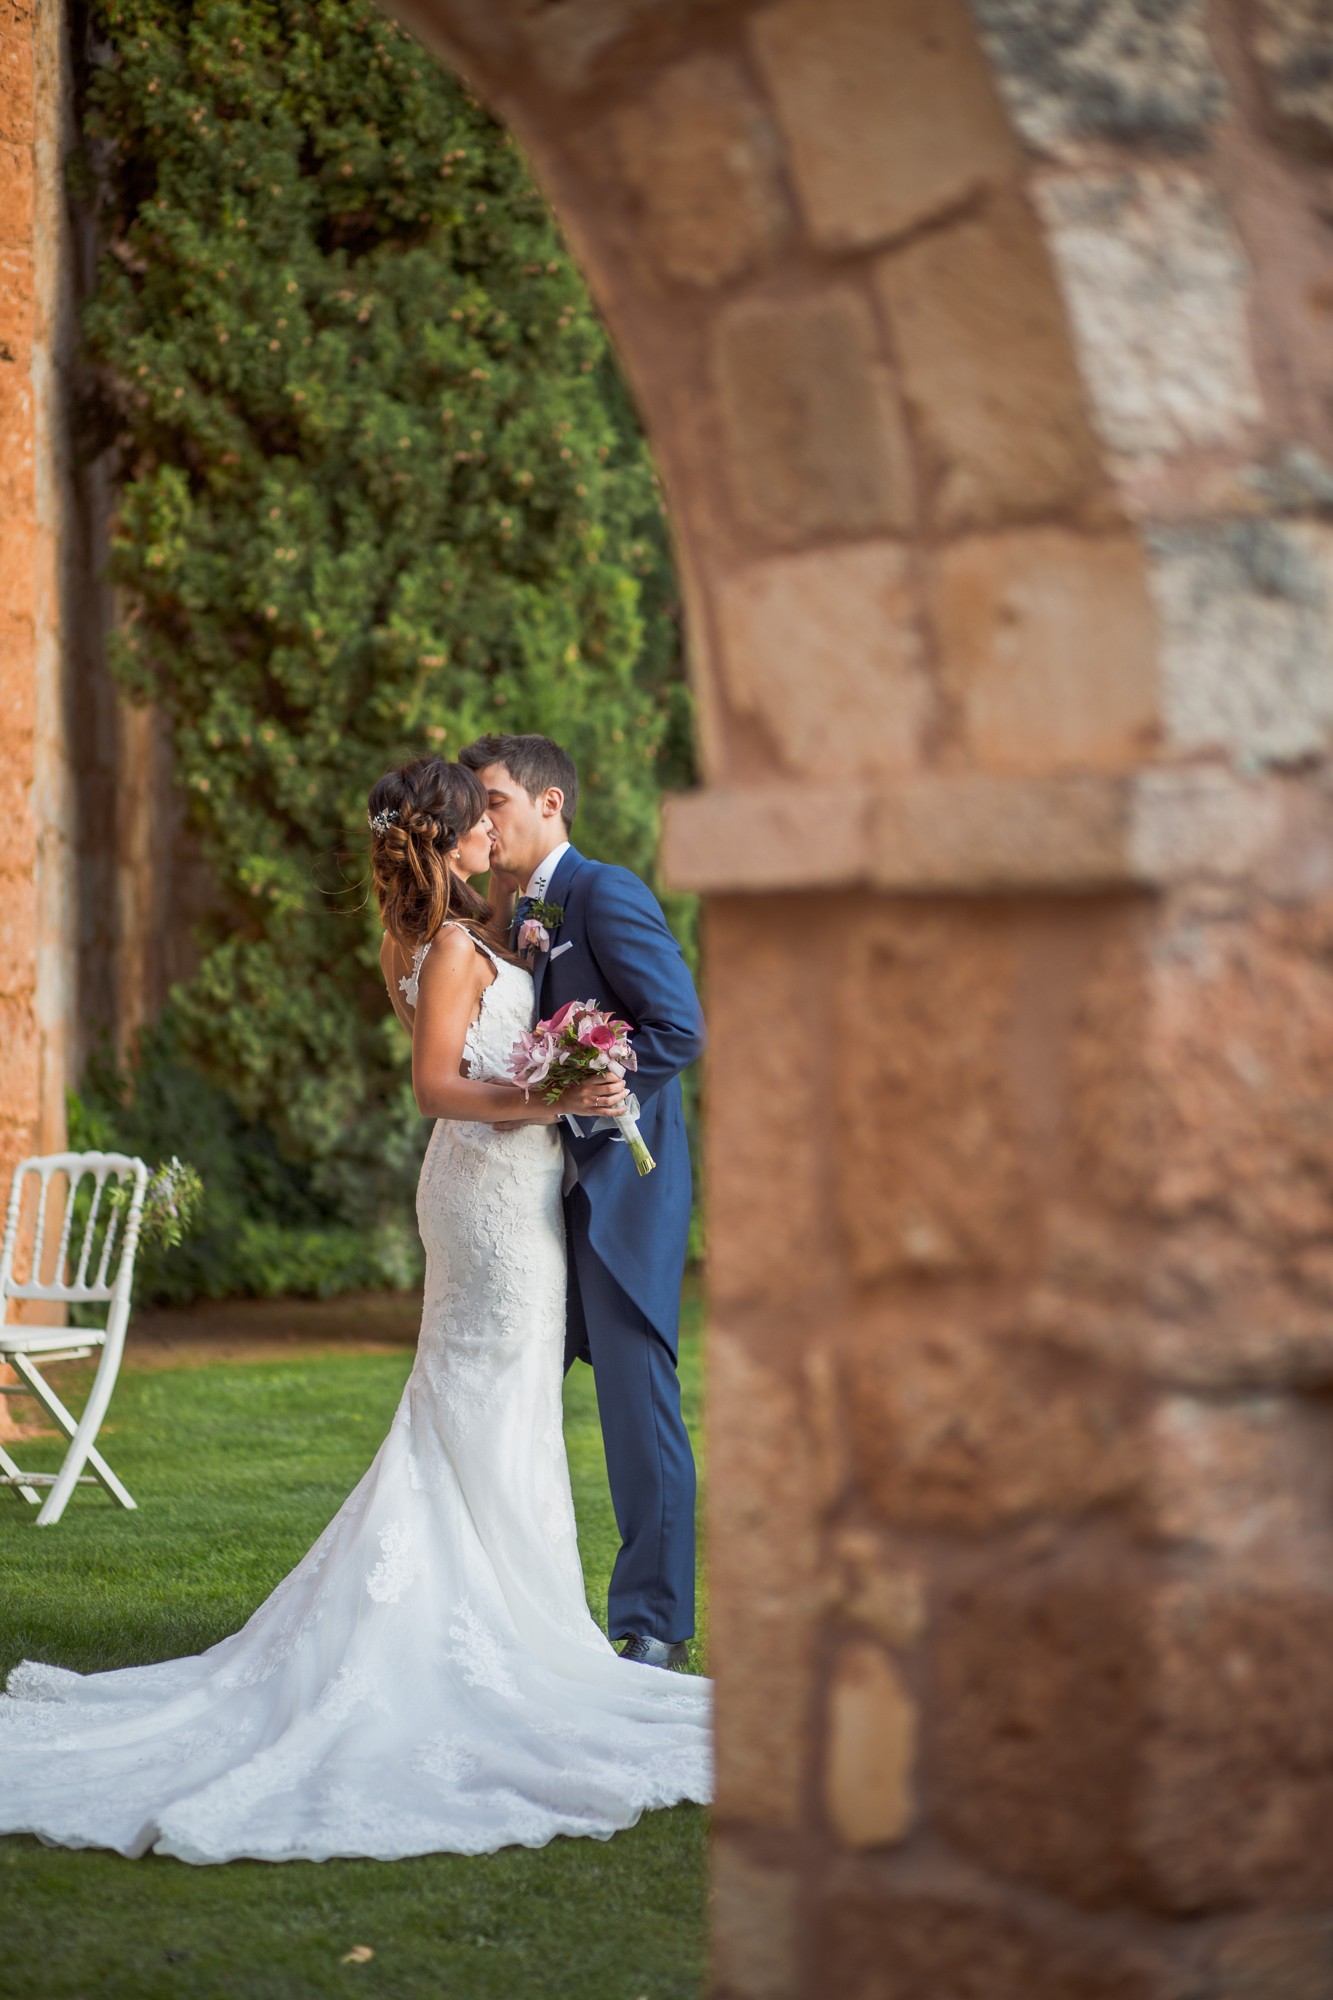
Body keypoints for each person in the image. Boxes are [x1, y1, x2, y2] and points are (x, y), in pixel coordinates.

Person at [0, 757, 710, 1864]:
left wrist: (551, 1060)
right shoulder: (450, 949)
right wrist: (551, 1094)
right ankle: (497, 1632)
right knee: (479, 1403)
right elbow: (437, 1083)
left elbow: (563, 1030)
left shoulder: (455, 937)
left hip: (502, 1189)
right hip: (490, 1198)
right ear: (447, 836)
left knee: (493, 1408)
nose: (488, 824)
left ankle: (533, 1616)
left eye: (495, 806)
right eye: (473, 816)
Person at [459, 734, 705, 1668]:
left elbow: (677, 1025)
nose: (483, 820)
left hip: (617, 1189)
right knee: (506, 1397)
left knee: (637, 1412)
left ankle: (653, 1622)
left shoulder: (603, 892)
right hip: (530, 1200)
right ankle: (503, 1602)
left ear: (549, 803)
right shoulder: (516, 910)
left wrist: (597, 1074)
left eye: (495, 801)